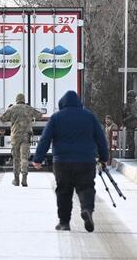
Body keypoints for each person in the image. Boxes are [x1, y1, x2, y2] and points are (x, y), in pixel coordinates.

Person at [33, 90, 109, 233]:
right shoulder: (89, 117)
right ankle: (87, 209)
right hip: (86, 161)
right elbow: (101, 139)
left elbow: (45, 139)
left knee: (63, 191)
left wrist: (38, 159)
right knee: (86, 187)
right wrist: (104, 158)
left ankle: (64, 223)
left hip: (62, 162)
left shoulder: (56, 118)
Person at [0, 93, 43, 187]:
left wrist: (9, 111)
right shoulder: (28, 108)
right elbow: (40, 116)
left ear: (16, 100)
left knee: (16, 158)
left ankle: (16, 180)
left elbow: (2, 118)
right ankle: (24, 178)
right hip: (26, 136)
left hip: (15, 136)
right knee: (24, 157)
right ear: (23, 100)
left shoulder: (12, 108)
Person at [122, 90, 137, 158]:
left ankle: (131, 154)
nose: (128, 98)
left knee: (130, 139)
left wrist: (125, 119)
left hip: (131, 124)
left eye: (130, 96)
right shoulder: (130, 104)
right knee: (129, 139)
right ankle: (129, 153)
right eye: (128, 96)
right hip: (129, 124)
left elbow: (133, 115)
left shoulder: (134, 104)